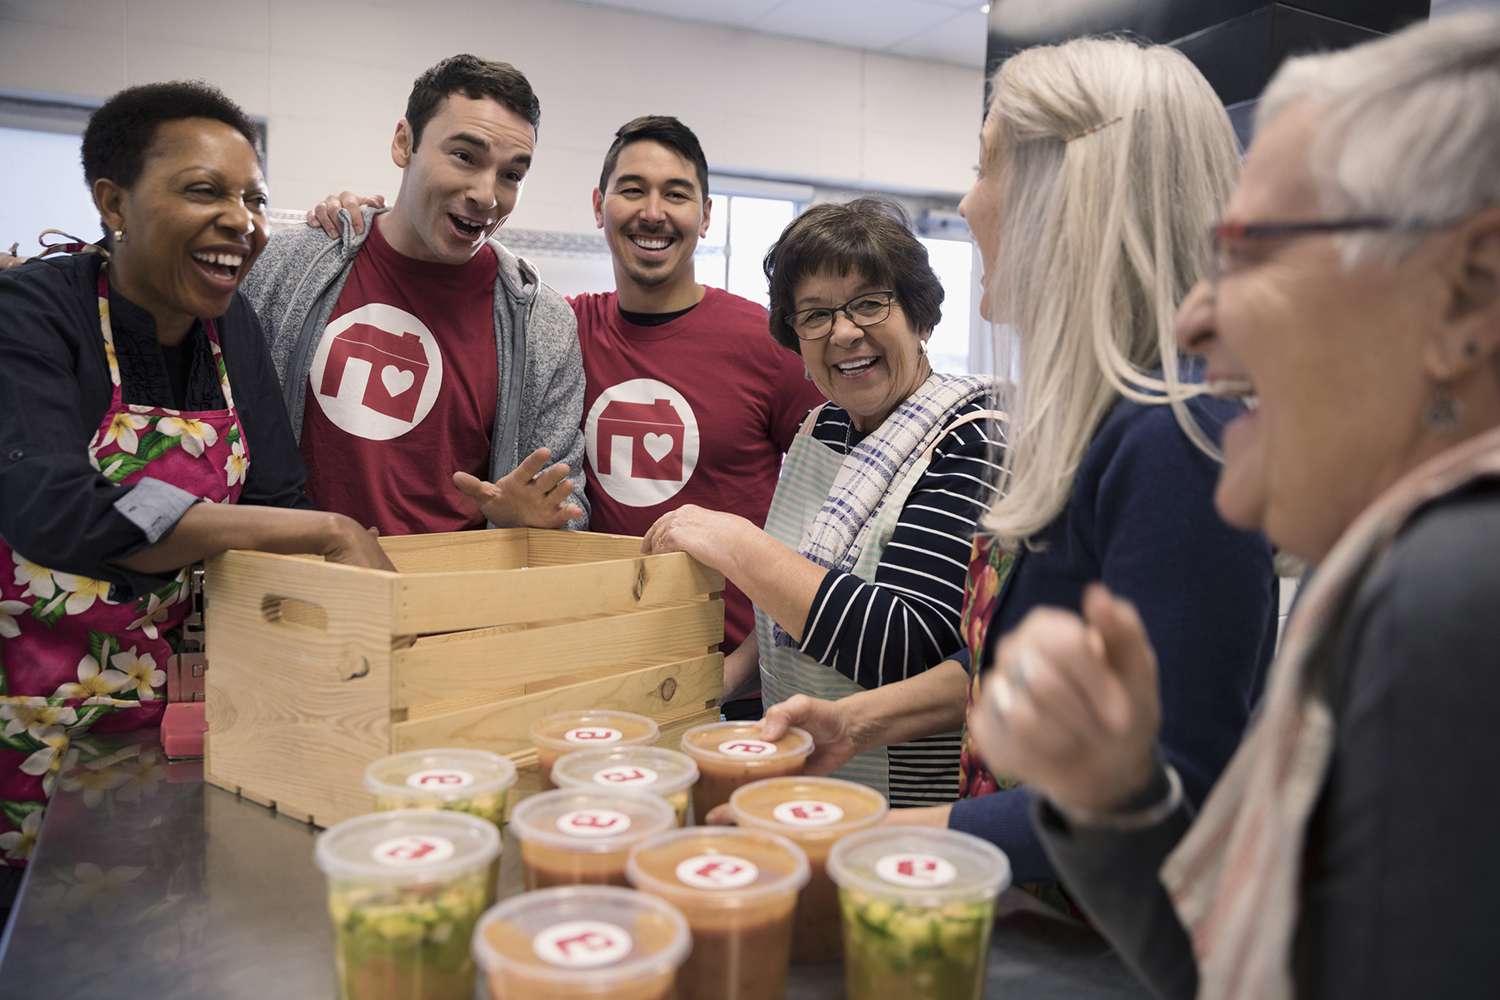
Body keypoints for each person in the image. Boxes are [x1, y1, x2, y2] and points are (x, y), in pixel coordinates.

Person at [969, 14, 1500, 999]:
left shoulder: (1450, 588)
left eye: (1253, 250)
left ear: (1467, 294)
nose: (1195, 312)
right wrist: (1114, 800)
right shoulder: (1395, 571)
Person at [758, 37, 1278, 904]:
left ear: (1075, 195)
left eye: (989, 167)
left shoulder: (1176, 439)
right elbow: (1016, 675)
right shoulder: (1098, 426)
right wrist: (854, 720)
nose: (966, 202)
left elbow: (1166, 797)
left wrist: (864, 836)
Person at [0, 83, 392, 890]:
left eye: (253, 198)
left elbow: (275, 500)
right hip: (27, 717)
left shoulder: (230, 329)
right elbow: (57, 509)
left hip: (175, 723)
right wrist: (324, 532)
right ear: (114, 202)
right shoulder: (34, 312)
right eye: (203, 191)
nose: (240, 221)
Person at [642, 199, 1003, 806]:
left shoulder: (972, 435)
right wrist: (721, 686)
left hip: (904, 809)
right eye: (814, 314)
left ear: (919, 314)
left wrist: (736, 543)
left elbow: (906, 645)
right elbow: (790, 612)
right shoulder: (821, 428)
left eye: (869, 303)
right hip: (801, 785)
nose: (843, 332)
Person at [241, 55, 588, 537]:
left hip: (452, 604)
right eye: (465, 156)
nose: (487, 195)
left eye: (511, 175)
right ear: (404, 143)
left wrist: (528, 524)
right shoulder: (287, 265)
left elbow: (567, 507)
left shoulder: (541, 322)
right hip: (295, 596)